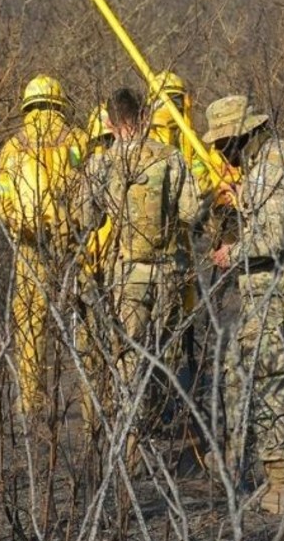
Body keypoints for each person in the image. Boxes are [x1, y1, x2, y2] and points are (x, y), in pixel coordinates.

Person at [204, 95, 284, 515]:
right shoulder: (271, 163)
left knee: (268, 374)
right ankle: (232, 457)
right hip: (280, 284)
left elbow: (274, 239)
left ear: (242, 136)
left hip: (282, 286)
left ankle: (281, 482)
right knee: (237, 366)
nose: (221, 153)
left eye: (224, 144)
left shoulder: (268, 169)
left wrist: (231, 253)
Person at [80, 88, 206, 452]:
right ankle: (151, 421)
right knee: (163, 355)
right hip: (168, 270)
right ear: (143, 118)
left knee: (128, 358)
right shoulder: (170, 158)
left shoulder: (101, 164)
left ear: (111, 123)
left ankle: (131, 443)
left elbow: (86, 219)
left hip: (126, 274)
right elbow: (191, 213)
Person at [0, 75, 89, 415]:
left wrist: (18, 225)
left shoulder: (13, 146)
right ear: (60, 104)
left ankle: (30, 400)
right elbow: (89, 187)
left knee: (31, 320)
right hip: (76, 245)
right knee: (84, 320)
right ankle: (91, 400)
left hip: (30, 246)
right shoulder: (77, 139)